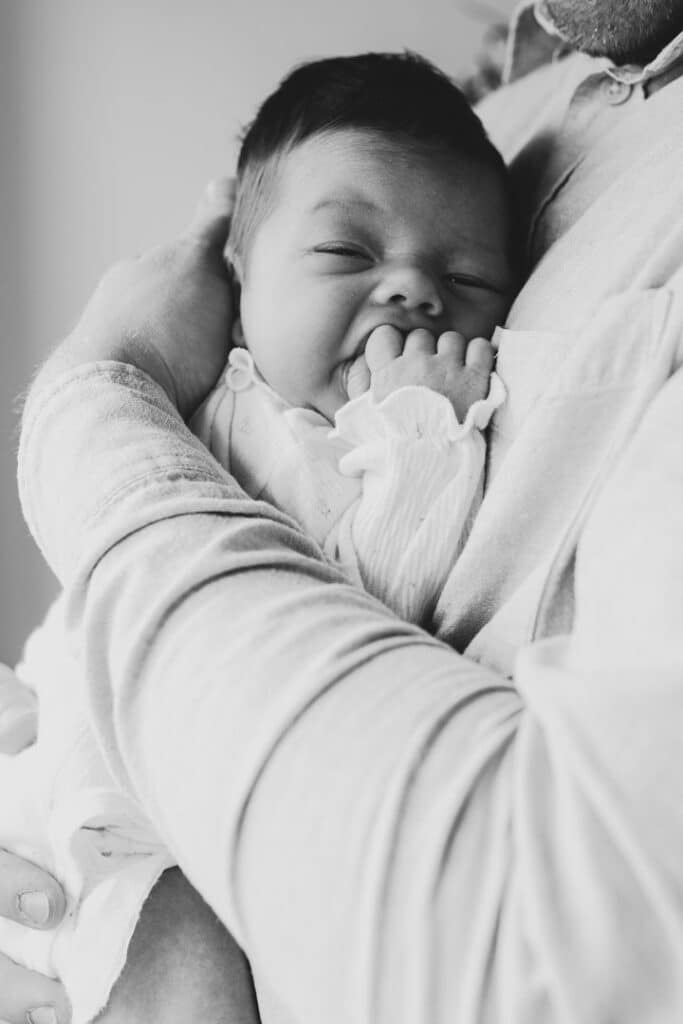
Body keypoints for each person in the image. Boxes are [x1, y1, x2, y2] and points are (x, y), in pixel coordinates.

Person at [3, 0, 683, 1021]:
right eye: (345, 258)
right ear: (234, 265)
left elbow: (380, 593)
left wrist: (420, 432)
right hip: (68, 759)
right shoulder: (211, 371)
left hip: (185, 842)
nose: (411, 291)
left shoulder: (381, 443)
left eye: (465, 281)